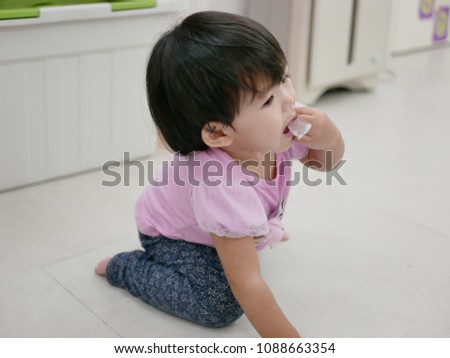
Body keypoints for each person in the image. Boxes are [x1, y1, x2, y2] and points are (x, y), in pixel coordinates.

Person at [95, 11, 344, 338]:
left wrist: (329, 138)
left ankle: (250, 229)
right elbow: (248, 282)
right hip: (170, 236)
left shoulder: (276, 128)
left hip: (222, 221)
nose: (289, 100)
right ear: (218, 133)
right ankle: (124, 267)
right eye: (268, 99)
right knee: (219, 305)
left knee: (241, 247)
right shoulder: (222, 186)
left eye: (284, 78)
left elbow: (324, 164)